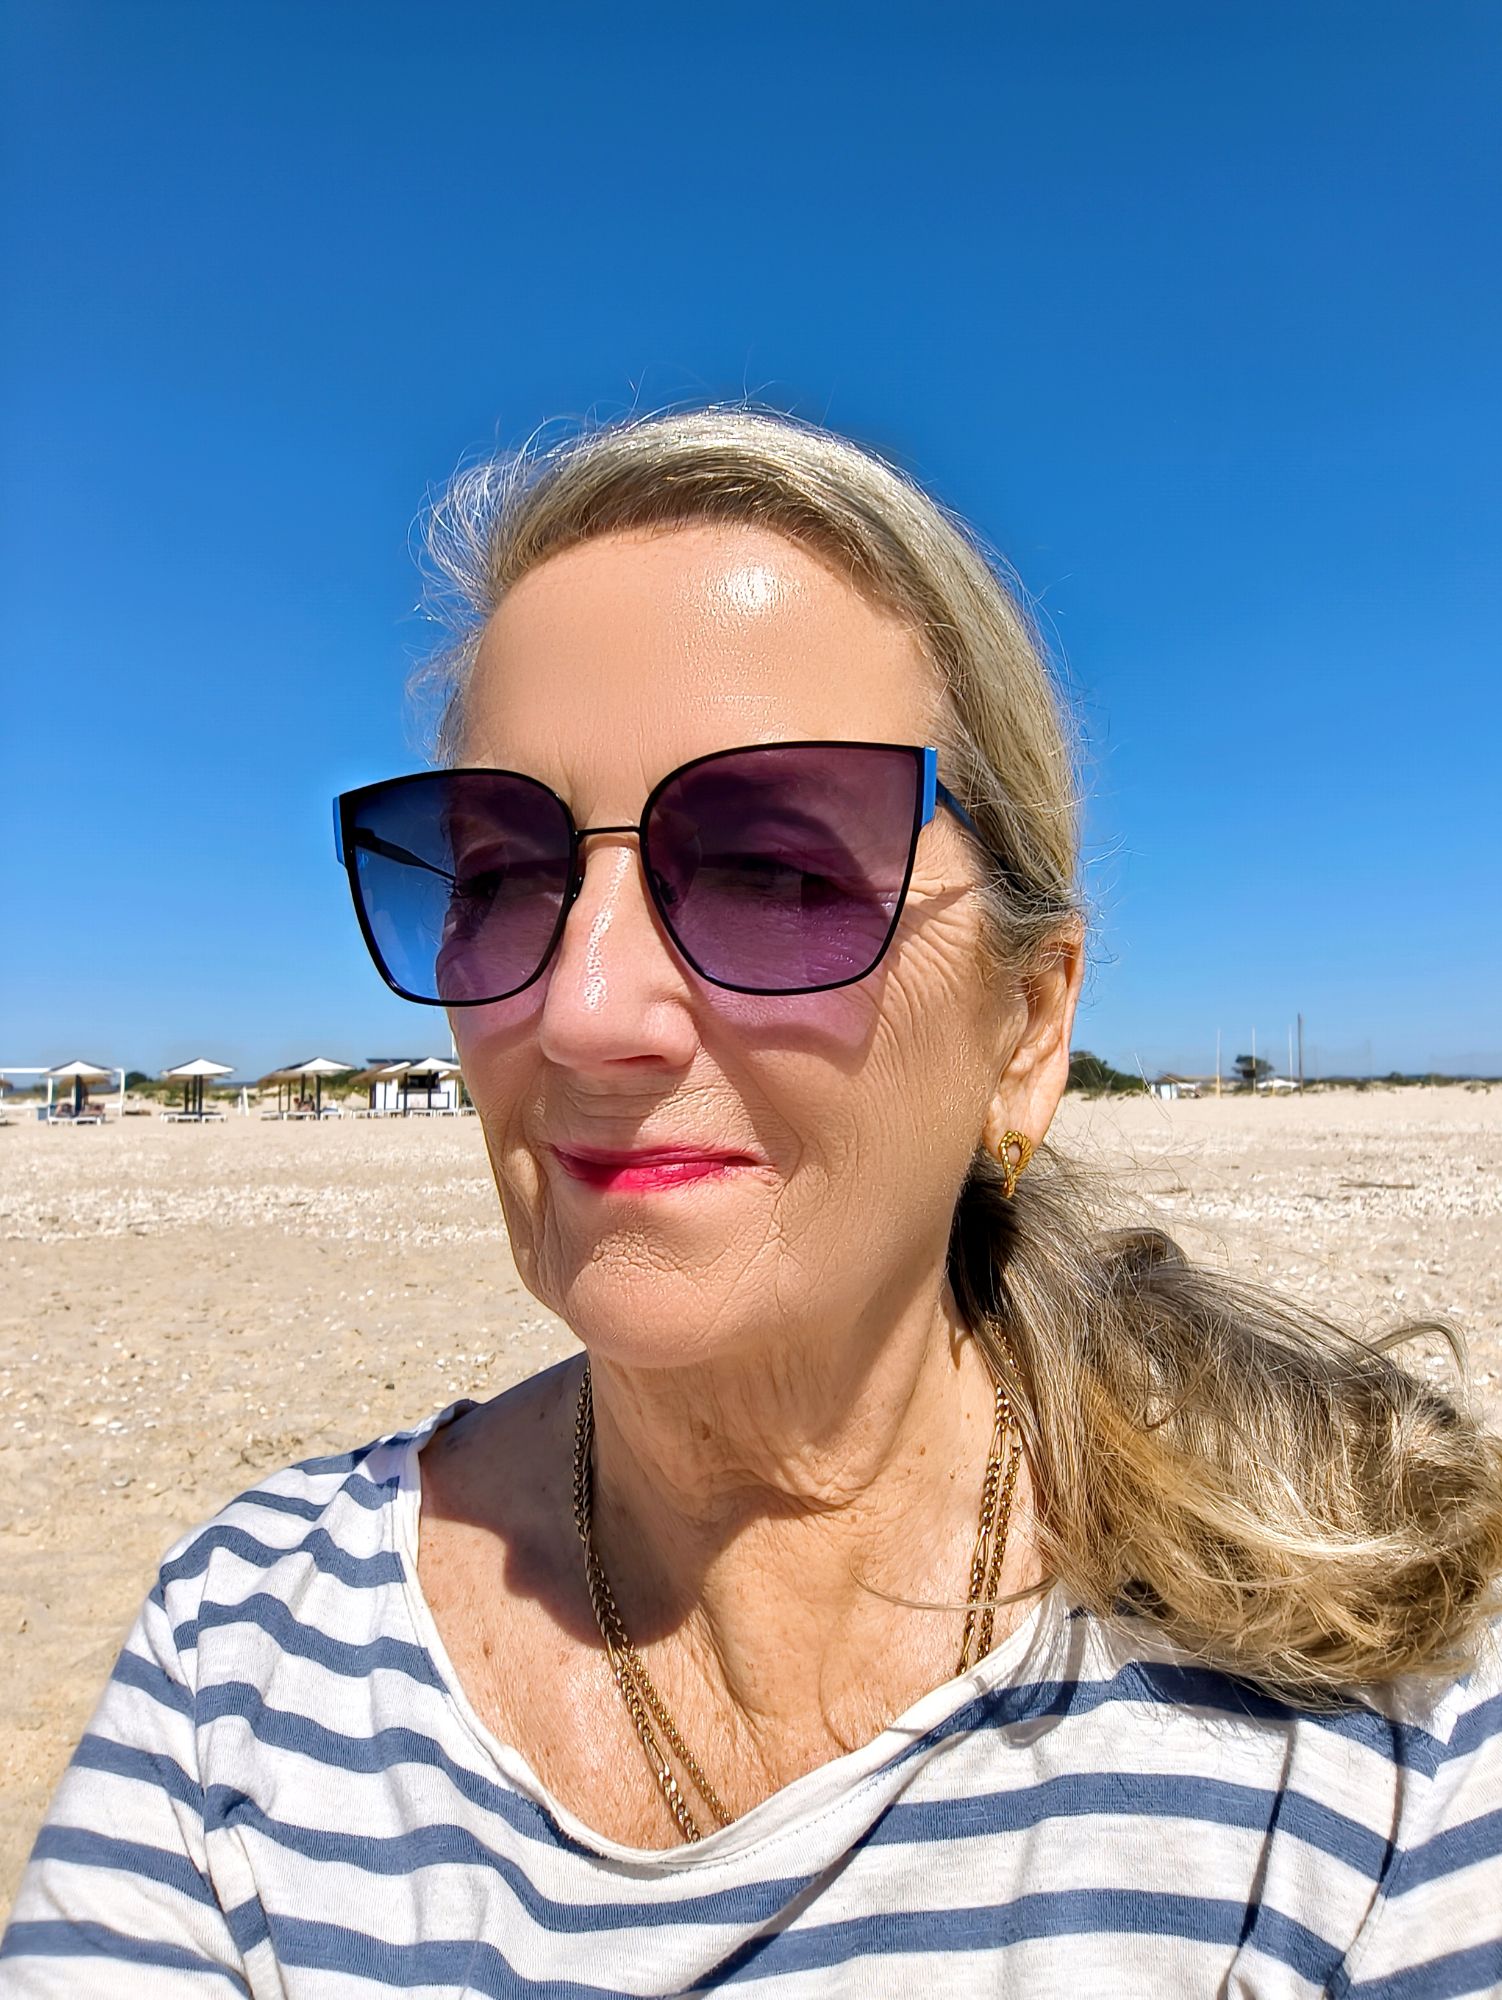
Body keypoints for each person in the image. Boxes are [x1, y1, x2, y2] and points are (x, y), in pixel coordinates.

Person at [5, 409, 1501, 1996]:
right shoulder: (245, 1655)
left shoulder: (1367, 1728)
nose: (584, 1009)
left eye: (775, 873)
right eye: (500, 875)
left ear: (1024, 1027)